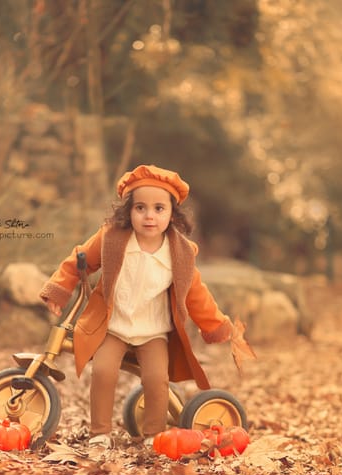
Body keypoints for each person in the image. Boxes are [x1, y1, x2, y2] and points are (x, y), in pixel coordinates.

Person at [39, 164, 250, 449]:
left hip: (153, 331)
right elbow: (80, 259)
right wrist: (59, 289)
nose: (149, 216)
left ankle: (154, 435)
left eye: (159, 209)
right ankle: (100, 433)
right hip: (114, 326)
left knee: (156, 378)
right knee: (103, 371)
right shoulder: (112, 238)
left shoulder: (181, 253)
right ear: (129, 211)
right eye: (141, 208)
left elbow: (196, 295)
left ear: (172, 214)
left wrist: (217, 326)